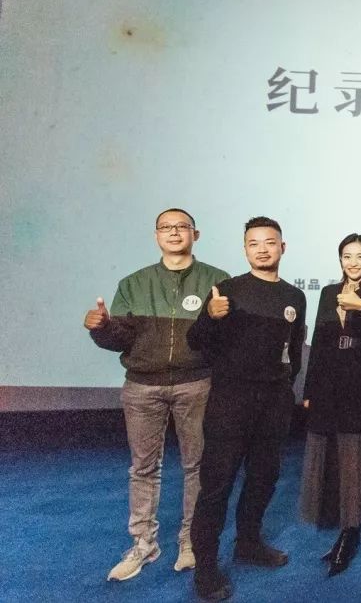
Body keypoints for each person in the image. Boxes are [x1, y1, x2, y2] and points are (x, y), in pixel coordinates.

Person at [85, 208, 228, 581]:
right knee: (143, 468)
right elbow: (119, 339)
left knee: (197, 465)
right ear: (156, 236)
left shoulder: (218, 280)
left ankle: (191, 542)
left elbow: (227, 340)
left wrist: (215, 318)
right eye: (166, 227)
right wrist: (101, 328)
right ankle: (143, 544)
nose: (174, 232)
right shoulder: (134, 283)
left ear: (196, 234)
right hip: (142, 387)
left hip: (197, 383)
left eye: (182, 226)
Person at [187, 217, 306, 601]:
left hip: (274, 401)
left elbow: (294, 350)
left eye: (269, 242)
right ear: (244, 249)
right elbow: (195, 340)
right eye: (254, 243)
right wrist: (210, 315)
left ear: (282, 247)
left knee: (264, 477)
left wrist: (284, 389)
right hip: (231, 399)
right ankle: (206, 567)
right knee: (217, 483)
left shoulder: (294, 296)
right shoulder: (227, 291)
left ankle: (248, 543)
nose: (262, 249)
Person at [298, 234, 361, 576]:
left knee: (354, 452)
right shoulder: (327, 292)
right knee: (328, 452)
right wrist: (309, 387)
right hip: (327, 378)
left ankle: (351, 530)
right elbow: (319, 340)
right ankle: (337, 518)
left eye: (360, 256)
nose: (353, 262)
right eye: (347, 256)